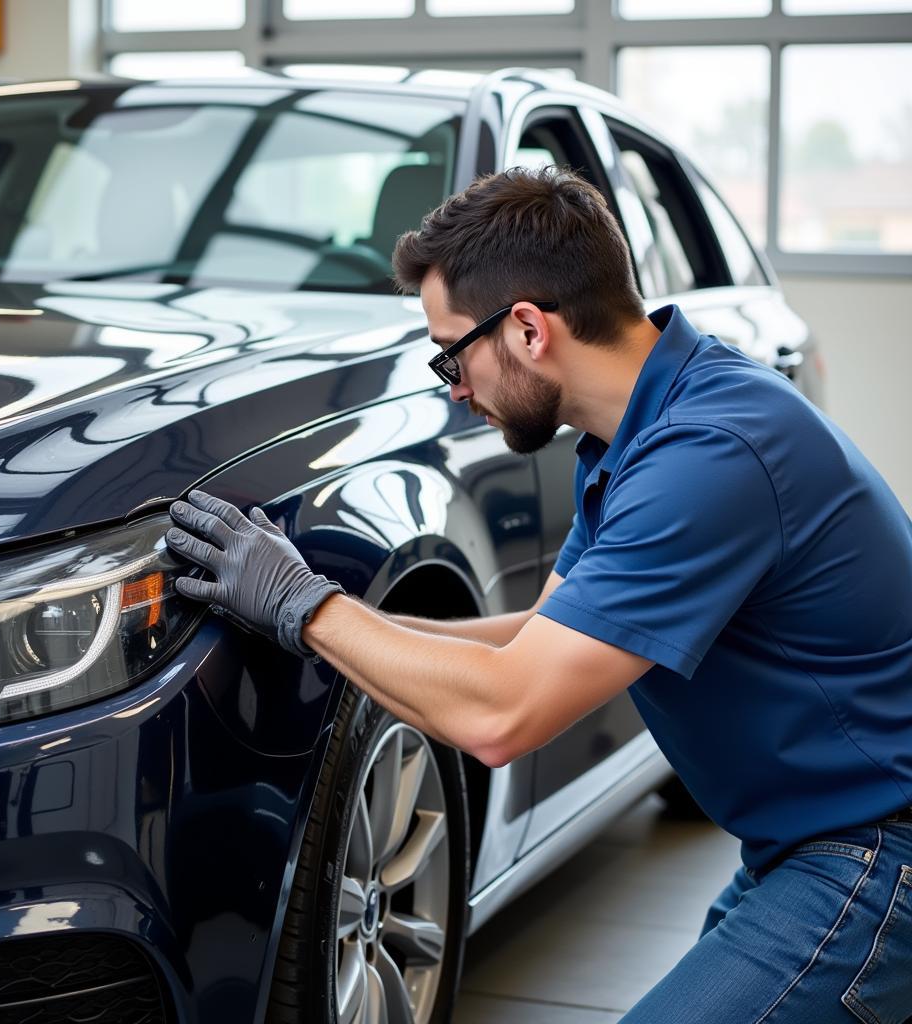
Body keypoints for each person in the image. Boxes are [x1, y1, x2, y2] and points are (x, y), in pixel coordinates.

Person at [165, 167, 912, 1022]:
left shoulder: (709, 455)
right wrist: (329, 620)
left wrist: (307, 608)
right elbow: (532, 635)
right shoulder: (642, 423)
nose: (453, 384)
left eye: (453, 351)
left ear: (526, 327)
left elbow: (501, 715)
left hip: (877, 853)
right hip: (813, 839)